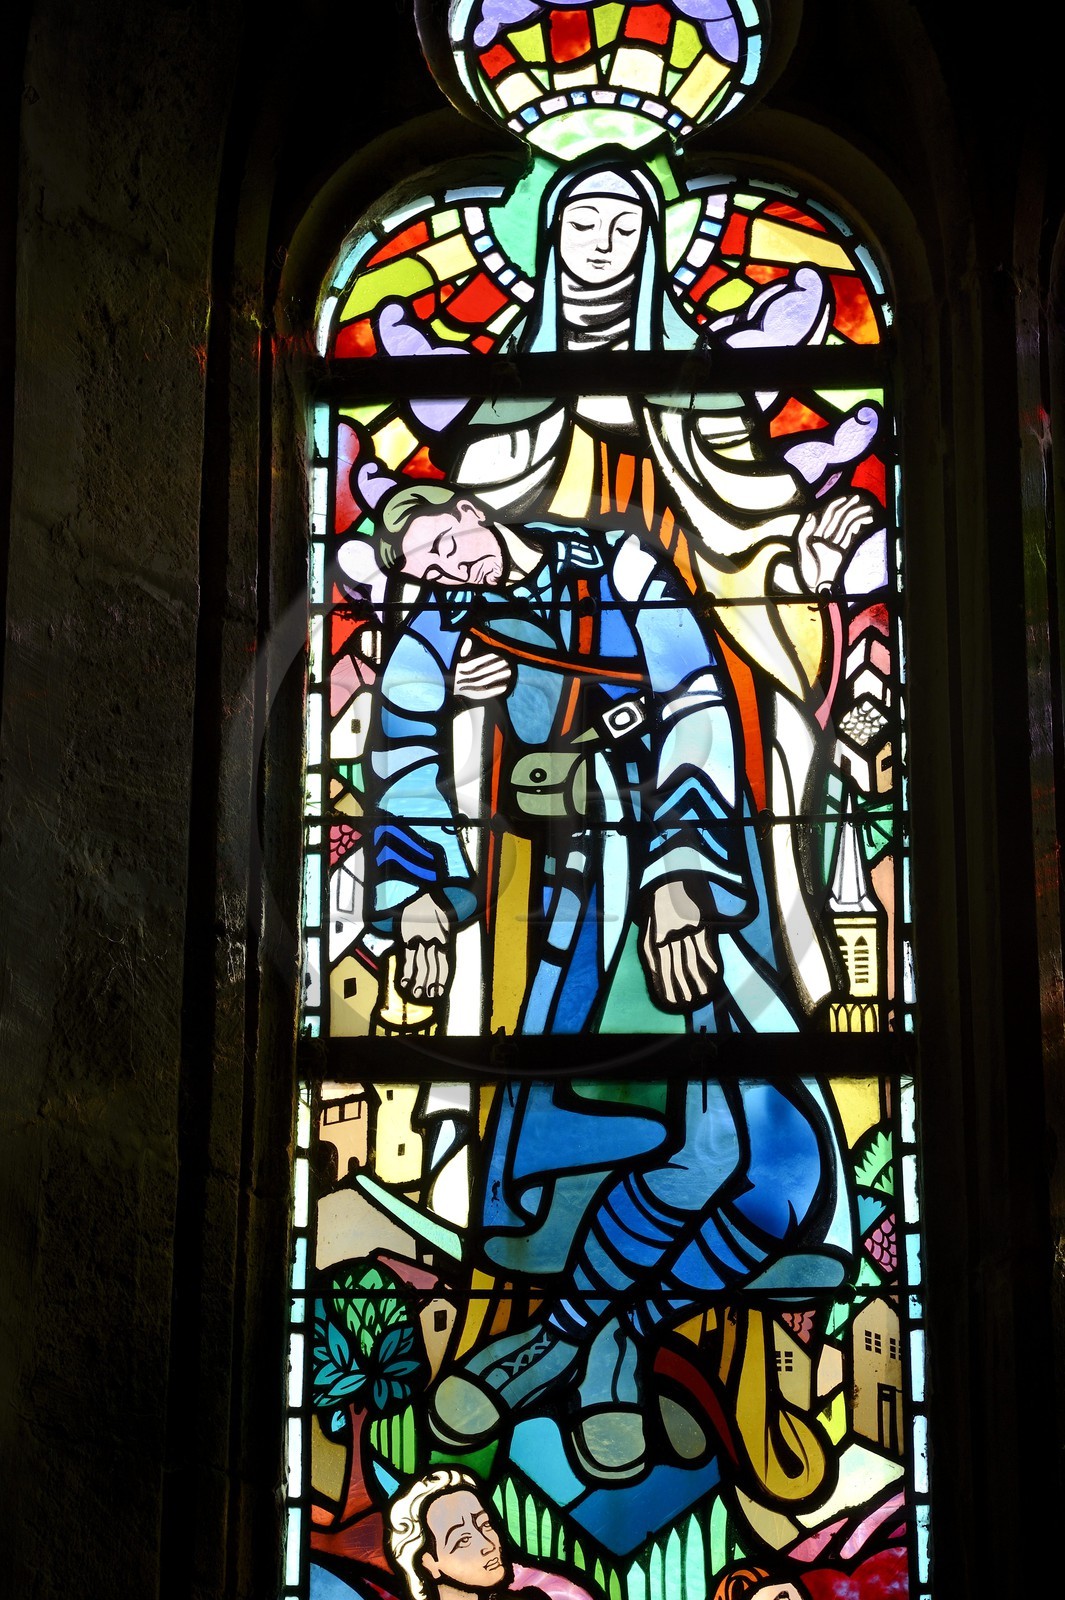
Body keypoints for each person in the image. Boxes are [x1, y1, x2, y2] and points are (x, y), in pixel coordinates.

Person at [429, 158, 880, 1014]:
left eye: (623, 227)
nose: (600, 245)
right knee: (551, 935)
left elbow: (747, 536)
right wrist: (477, 683)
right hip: (547, 705)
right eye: (581, 224)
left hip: (699, 674)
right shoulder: (502, 429)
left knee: (723, 907)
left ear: (650, 246)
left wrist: (800, 574)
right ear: (550, 241)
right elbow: (463, 586)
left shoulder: (703, 403)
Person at [367, 479, 799, 1033]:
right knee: (562, 1020)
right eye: (432, 573)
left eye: (447, 545)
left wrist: (678, 874)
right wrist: (419, 893)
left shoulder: (620, 563)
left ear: (471, 509)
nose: (453, 572)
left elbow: (694, 698)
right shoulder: (444, 620)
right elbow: (402, 740)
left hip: (673, 819)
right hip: (558, 854)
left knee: (738, 1016)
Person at [388, 1469, 593, 1600]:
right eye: (464, 1540)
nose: (488, 1544)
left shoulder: (541, 1592)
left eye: (485, 1524)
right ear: (427, 1564)